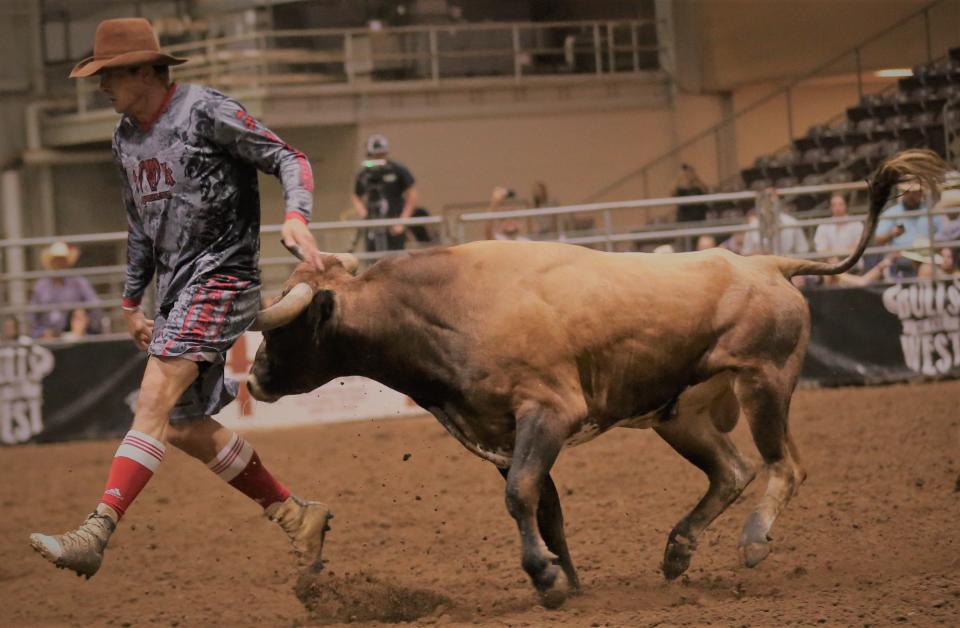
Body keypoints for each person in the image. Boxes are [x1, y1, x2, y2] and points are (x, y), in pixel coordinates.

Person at [29, 18, 331, 580]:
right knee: (185, 425)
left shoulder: (205, 111)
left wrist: (297, 217)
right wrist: (130, 301)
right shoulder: (125, 138)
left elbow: (290, 157)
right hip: (177, 291)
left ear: (145, 71)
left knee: (155, 397)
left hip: (223, 279)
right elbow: (140, 225)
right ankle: (293, 513)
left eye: (109, 75)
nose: (101, 87)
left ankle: (97, 530)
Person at [351, 134, 418, 252]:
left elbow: (412, 193)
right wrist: (364, 214)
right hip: (374, 223)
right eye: (375, 155)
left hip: (394, 221)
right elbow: (356, 196)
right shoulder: (365, 173)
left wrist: (403, 221)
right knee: (373, 259)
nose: (378, 158)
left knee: (396, 259)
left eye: (381, 155)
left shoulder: (397, 169)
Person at [29, 242, 103, 339]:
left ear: (67, 262)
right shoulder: (41, 286)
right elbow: (32, 316)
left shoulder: (79, 283)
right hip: (47, 336)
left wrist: (86, 322)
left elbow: (95, 306)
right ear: (51, 263)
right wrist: (41, 333)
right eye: (56, 260)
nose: (59, 263)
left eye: (62, 260)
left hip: (74, 334)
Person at [875, 180, 944, 249]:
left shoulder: (930, 211)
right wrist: (891, 234)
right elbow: (878, 240)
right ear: (902, 194)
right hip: (901, 255)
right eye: (907, 192)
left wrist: (931, 240)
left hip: (927, 254)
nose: (910, 196)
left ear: (920, 193)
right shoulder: (891, 213)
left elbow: (944, 233)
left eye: (914, 192)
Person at [741, 189, 810, 256]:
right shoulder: (753, 225)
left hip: (787, 264)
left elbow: (803, 252)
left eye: (771, 203)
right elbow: (746, 253)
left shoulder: (792, 223)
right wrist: (757, 253)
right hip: (762, 265)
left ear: (778, 203)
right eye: (765, 202)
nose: (769, 207)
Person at [813, 194, 864, 259]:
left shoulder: (857, 224)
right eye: (834, 205)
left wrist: (832, 252)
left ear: (846, 205)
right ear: (830, 207)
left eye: (840, 204)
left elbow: (857, 248)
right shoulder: (823, 226)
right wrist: (833, 259)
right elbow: (821, 250)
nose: (837, 208)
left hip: (853, 265)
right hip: (830, 265)